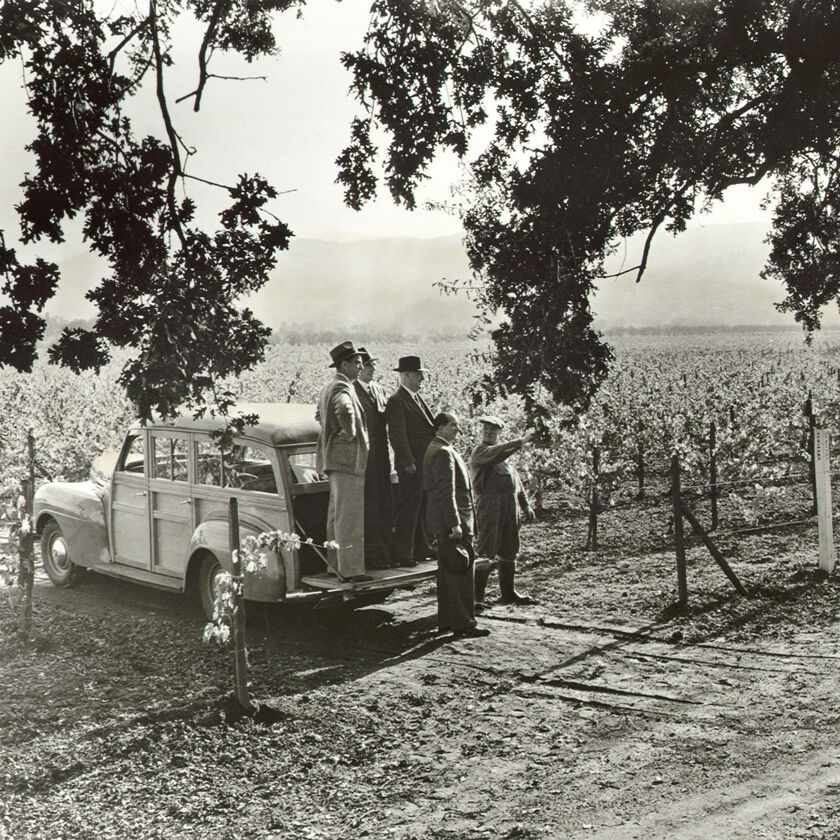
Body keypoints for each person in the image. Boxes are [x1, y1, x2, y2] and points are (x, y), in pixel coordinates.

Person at [424, 411, 490, 638]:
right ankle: (463, 624)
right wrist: (455, 523)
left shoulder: (440, 449)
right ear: (440, 427)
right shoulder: (441, 451)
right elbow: (445, 491)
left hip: (448, 521)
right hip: (453, 522)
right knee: (461, 571)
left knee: (448, 574)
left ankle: (447, 622)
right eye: (453, 425)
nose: (457, 430)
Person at [315, 340, 372, 583]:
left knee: (336, 515)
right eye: (357, 363)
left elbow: (319, 415)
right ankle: (352, 571)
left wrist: (332, 432)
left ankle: (335, 565)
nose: (360, 367)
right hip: (347, 461)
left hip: (334, 462)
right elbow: (345, 410)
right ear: (344, 364)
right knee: (349, 517)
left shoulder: (329, 387)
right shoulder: (343, 388)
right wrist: (348, 434)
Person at [470, 415, 536, 607]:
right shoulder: (481, 452)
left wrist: (525, 505)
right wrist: (521, 441)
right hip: (489, 507)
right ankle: (477, 598)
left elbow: (517, 483)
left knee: (509, 549)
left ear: (500, 433)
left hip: (509, 507)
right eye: (486, 430)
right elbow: (498, 452)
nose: (489, 433)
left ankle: (508, 593)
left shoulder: (506, 459)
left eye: (493, 430)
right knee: (486, 550)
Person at [386, 355, 436, 567]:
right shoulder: (397, 401)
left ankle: (421, 547)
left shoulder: (415, 398)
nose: (422, 379)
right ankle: (403, 553)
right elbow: (397, 435)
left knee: (421, 506)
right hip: (412, 465)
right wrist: (407, 461)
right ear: (405, 375)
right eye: (418, 375)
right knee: (409, 508)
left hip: (422, 463)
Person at [354, 347, 394, 569]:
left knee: (384, 504)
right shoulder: (351, 391)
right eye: (368, 365)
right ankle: (372, 556)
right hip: (364, 457)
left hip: (381, 455)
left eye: (373, 365)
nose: (372, 369)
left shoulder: (378, 390)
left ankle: (384, 553)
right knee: (370, 506)